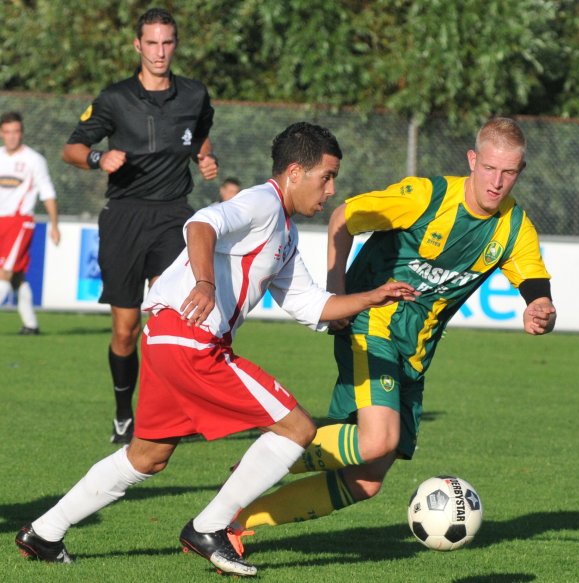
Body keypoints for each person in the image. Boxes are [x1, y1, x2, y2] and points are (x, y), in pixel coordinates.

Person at [15, 122, 418, 576]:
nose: (331, 190)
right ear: (293, 172)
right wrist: (205, 282)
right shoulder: (263, 202)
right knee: (298, 427)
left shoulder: (282, 232)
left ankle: (44, 532)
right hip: (194, 342)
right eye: (326, 177)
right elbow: (203, 222)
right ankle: (209, 527)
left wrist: (372, 296)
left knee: (148, 456)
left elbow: (309, 304)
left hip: (168, 337)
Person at [227, 117, 557, 551]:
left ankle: (238, 519)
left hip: (414, 351)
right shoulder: (426, 197)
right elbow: (343, 217)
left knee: (366, 479)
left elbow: (535, 287)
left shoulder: (514, 228)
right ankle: (261, 460)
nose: (497, 182)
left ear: (520, 171)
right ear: (473, 160)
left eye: (509, 172)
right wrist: (337, 292)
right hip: (373, 320)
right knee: (379, 437)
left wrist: (540, 309)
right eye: (490, 168)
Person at [62, 8, 218, 444]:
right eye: (152, 43)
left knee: (173, 320)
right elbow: (71, 148)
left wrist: (205, 157)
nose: (160, 52)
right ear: (138, 46)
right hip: (124, 216)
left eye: (167, 42)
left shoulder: (194, 94)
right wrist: (98, 158)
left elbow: (199, 133)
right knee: (126, 329)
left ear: (176, 44)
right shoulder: (114, 98)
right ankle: (122, 413)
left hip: (173, 215)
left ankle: (176, 412)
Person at [0, 111, 60, 334]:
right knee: (16, 276)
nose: (12, 136)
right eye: (7, 132)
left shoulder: (34, 160)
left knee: (4, 272)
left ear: (22, 133)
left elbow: (47, 192)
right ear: (1, 134)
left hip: (19, 222)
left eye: (16, 132)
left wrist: (54, 224)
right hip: (0, 221)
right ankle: (31, 325)